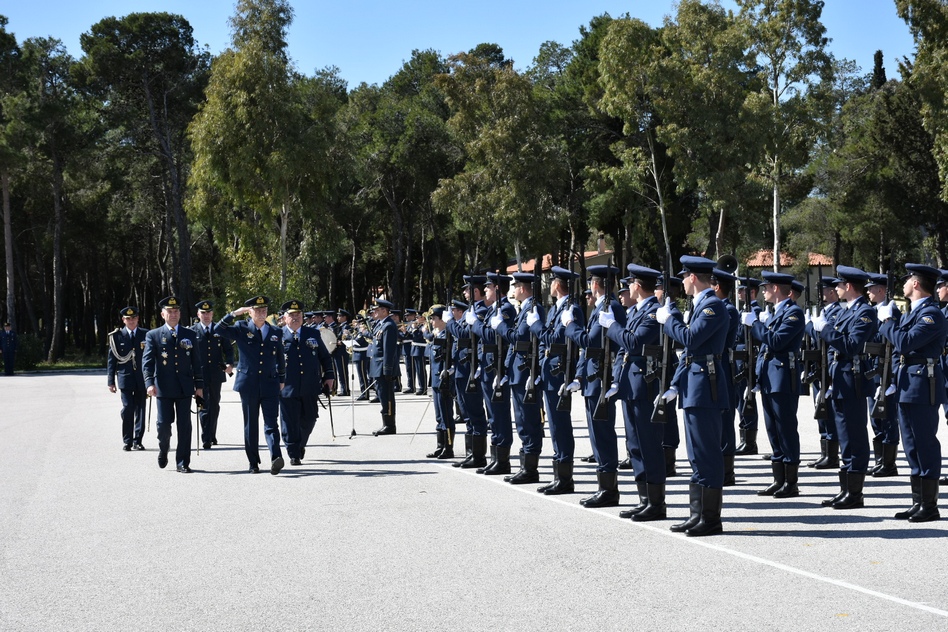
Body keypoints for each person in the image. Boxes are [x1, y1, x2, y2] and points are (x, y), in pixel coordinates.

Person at [656, 256, 729, 537]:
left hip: (705, 388)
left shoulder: (713, 307)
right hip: (693, 386)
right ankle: (697, 514)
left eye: (684, 277)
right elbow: (688, 355)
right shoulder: (699, 306)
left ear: (693, 278)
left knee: (707, 453)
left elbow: (689, 340)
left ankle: (711, 519)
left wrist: (670, 319)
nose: (682, 282)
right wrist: (675, 384)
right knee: (696, 454)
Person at [878, 263, 947, 522]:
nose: (904, 283)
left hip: (922, 385)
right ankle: (918, 502)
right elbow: (899, 349)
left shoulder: (932, 315)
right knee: (911, 445)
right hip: (907, 384)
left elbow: (905, 343)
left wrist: (887, 321)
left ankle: (930, 506)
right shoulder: (912, 313)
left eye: (907, 279)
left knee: (924, 443)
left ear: (916, 283)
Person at [602, 264, 666, 521]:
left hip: (645, 386)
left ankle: (657, 503)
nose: (628, 287)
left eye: (630, 283)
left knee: (649, 444)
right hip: (630, 385)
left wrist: (612, 326)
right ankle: (644, 500)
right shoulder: (636, 312)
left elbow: (634, 342)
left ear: (637, 285)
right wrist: (617, 379)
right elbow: (623, 351)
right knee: (635, 445)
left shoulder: (653, 312)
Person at [811, 266, 878, 509]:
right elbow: (832, 348)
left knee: (855, 435)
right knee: (843, 435)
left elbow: (850, 346)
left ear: (849, 286)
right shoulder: (845, 312)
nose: (836, 289)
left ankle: (855, 493)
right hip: (839, 379)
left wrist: (826, 329)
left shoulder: (865, 313)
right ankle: (845, 489)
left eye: (839, 285)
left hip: (853, 380)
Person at [563, 264, 627, 508]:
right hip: (592, 378)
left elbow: (590, 342)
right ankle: (604, 487)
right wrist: (579, 375)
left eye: (592, 282)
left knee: (603, 434)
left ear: (596, 284)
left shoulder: (610, 308)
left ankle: (609, 490)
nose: (590, 286)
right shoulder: (602, 306)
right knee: (597, 434)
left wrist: (570, 326)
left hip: (601, 378)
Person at [743, 271, 806, 498]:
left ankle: (791, 482)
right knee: (773, 430)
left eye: (767, 288)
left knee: (786, 428)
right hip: (770, 378)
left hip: (782, 379)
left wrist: (755, 326)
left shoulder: (794, 313)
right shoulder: (773, 314)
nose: (764, 291)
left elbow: (776, 341)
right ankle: (779, 479)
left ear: (777, 289)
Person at [528, 266, 584, 494]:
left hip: (560, 372)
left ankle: (565, 478)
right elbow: (546, 342)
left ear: (558, 284)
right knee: (553, 424)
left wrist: (536, 326)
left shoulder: (573, 310)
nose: (549, 285)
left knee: (560, 425)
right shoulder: (554, 309)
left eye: (551, 281)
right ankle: (558, 473)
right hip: (549, 371)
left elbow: (556, 338)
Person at [217, 296, 287, 474]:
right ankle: (253, 462)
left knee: (272, 423)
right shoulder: (241, 328)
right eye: (258, 310)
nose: (262, 313)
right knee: (251, 425)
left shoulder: (275, 332)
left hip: (270, 383)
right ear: (250, 311)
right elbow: (218, 329)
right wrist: (234, 313)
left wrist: (281, 379)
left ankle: (275, 457)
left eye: (264, 310)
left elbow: (280, 357)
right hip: (248, 384)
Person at [493, 271, 546, 483]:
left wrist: (501, 327)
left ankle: (530, 469)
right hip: (517, 371)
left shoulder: (533, 309)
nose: (513, 290)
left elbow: (519, 338)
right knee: (522, 420)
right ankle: (525, 465)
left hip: (525, 371)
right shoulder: (524, 309)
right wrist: (506, 369)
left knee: (529, 420)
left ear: (522, 288)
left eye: (515, 286)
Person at [142, 296, 204, 473]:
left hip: (185, 388)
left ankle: (182, 462)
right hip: (163, 388)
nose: (173, 314)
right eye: (170, 311)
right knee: (163, 426)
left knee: (184, 426)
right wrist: (149, 383)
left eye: (176, 311)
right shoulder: (153, 335)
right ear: (163, 314)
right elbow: (147, 362)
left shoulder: (190, 334)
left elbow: (196, 362)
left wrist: (199, 386)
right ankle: (163, 449)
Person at [471, 272, 518, 475]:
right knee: (492, 415)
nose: (486, 290)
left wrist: (476, 324)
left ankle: (503, 459)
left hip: (498, 367)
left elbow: (492, 336)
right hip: (488, 366)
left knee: (499, 414)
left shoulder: (505, 309)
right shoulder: (493, 310)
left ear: (497, 289)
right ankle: (495, 456)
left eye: (489, 287)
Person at [280, 300, 335, 464]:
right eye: (291, 315)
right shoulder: (277, 335)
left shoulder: (313, 334)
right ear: (284, 317)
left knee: (310, 418)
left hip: (310, 385)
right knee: (289, 422)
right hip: (286, 387)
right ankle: (294, 453)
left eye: (298, 314)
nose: (295, 318)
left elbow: (324, 357)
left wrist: (329, 377)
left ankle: (300, 444)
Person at [864, 273, 901, 477]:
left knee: (887, 417)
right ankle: (880, 460)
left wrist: (893, 377)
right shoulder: (874, 311)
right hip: (875, 370)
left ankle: (889, 463)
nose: (868, 292)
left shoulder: (891, 311)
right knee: (876, 417)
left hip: (886, 371)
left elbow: (894, 345)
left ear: (881, 290)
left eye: (871, 288)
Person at [191, 300, 235, 450]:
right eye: (203, 313)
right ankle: (206, 437)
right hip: (199, 375)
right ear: (198, 314)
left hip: (216, 374)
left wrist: (230, 364)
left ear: (212, 314)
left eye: (209, 312)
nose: (206, 315)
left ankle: (211, 433)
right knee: (202, 406)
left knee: (214, 405)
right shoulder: (192, 331)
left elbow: (228, 350)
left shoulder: (219, 330)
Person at [107, 307, 148, 451]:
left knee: (141, 410)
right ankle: (127, 441)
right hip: (125, 378)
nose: (131, 321)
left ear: (138, 319)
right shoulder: (117, 336)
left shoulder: (146, 334)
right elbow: (112, 360)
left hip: (142, 378)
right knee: (128, 408)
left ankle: (138, 440)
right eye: (128, 319)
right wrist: (110, 381)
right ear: (123, 320)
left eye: (134, 318)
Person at [734, 278, 762, 455]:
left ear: (751, 292)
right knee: (740, 400)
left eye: (742, 290)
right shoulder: (743, 311)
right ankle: (744, 438)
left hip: (748, 359)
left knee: (747, 400)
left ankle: (750, 442)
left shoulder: (756, 311)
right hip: (740, 359)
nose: (738, 293)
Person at [424, 305, 455, 459]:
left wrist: (449, 371)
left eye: (434, 318)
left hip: (444, 380)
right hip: (436, 380)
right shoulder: (437, 335)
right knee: (439, 415)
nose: (432, 321)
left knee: (446, 414)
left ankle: (448, 447)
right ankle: (440, 445)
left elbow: (452, 357)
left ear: (443, 319)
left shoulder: (449, 335)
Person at [369, 299, 399, 436]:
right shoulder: (380, 325)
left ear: (384, 311)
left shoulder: (388, 326)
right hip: (377, 366)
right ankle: (386, 423)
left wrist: (387, 369)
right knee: (382, 395)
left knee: (387, 396)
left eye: (377, 309)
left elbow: (389, 350)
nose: (374, 312)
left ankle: (389, 425)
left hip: (383, 367)